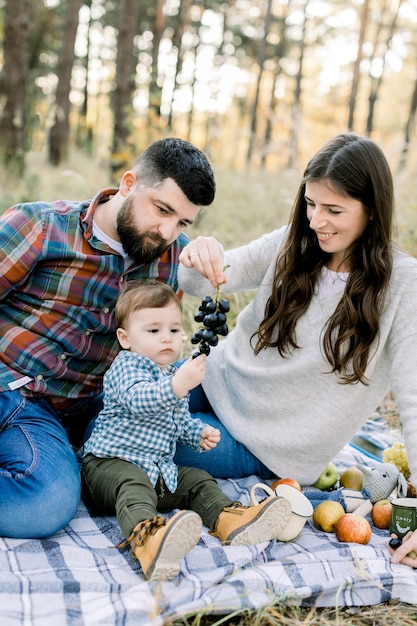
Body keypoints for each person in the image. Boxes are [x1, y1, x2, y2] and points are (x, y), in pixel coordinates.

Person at [173, 133, 417, 567]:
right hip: (214, 377)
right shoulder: (293, 241)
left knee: (140, 433)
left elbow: (414, 396)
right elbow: (200, 281)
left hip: (263, 442)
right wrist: (200, 253)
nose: (316, 220)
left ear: (373, 210)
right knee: (110, 397)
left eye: (334, 210)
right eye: (311, 204)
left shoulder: (402, 285)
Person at [0, 137, 218, 540]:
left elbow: (159, 348)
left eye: (184, 223)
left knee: (214, 430)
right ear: (129, 183)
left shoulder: (174, 258)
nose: (169, 232)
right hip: (21, 392)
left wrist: (210, 248)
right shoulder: (41, 226)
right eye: (163, 210)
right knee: (46, 501)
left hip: (102, 402)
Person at [81, 281, 292, 581]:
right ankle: (149, 542)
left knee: (196, 480)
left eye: (174, 330)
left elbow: (178, 421)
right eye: (153, 331)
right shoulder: (126, 366)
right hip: (108, 468)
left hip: (157, 471)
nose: (166, 339)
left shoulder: (170, 374)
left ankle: (230, 519)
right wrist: (178, 385)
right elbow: (140, 400)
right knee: (133, 485)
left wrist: (196, 434)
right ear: (125, 338)